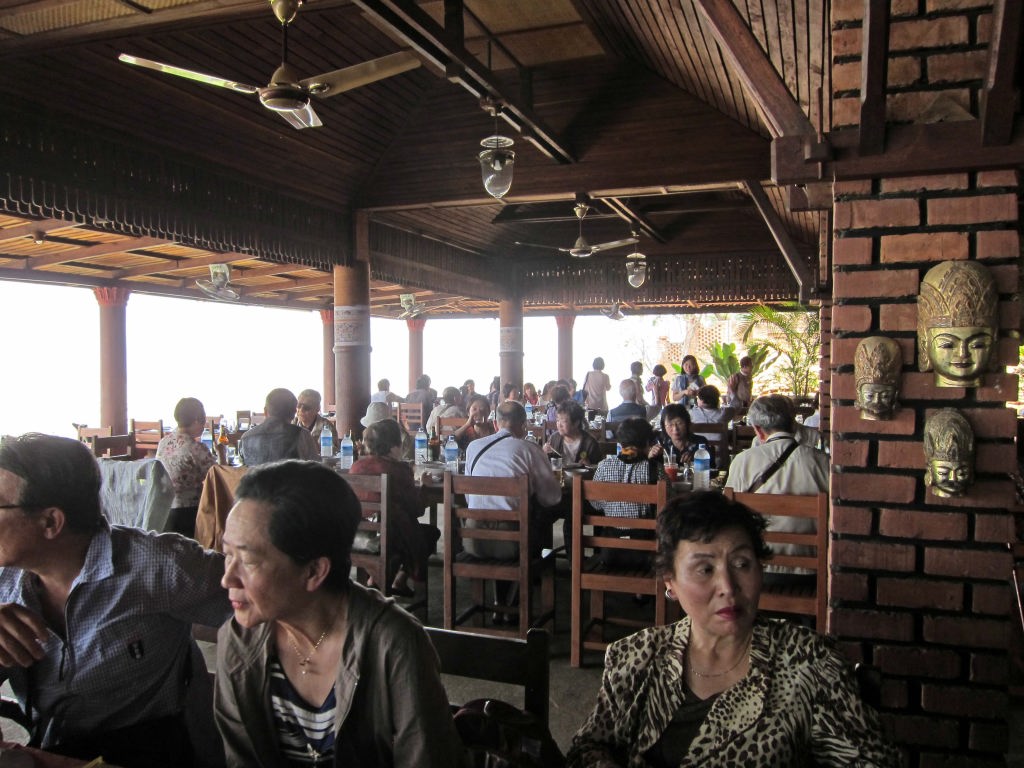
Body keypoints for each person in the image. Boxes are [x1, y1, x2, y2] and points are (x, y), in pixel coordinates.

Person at [567, 492, 900, 768]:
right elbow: (588, 747)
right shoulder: (635, 658)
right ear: (670, 582)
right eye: (705, 569)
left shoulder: (809, 663)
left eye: (741, 564)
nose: (728, 586)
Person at [0, 433, 231, 768]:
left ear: (51, 522)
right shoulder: (6, 580)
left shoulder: (157, 566)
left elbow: (274, 603)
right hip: (51, 748)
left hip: (146, 751)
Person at [216, 460, 465, 767]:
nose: (227, 579)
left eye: (248, 561)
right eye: (227, 554)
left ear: (314, 571)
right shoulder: (238, 642)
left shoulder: (393, 646)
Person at [464, 401, 562, 561]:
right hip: (513, 542)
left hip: (473, 540)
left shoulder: (473, 447)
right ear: (524, 425)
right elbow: (551, 498)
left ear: (495, 424)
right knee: (543, 513)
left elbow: (468, 498)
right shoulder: (530, 449)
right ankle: (538, 569)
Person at [349, 420, 437, 597]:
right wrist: (424, 487)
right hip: (388, 537)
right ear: (394, 446)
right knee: (430, 534)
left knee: (400, 530)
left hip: (356, 535)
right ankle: (397, 579)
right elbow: (417, 510)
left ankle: (376, 580)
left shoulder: (356, 466)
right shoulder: (399, 469)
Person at [156, 396, 216, 538]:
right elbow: (218, 476)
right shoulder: (195, 448)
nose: (204, 426)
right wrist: (222, 454)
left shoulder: (163, 442)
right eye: (203, 421)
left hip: (163, 509)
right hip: (188, 513)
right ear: (196, 420)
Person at [591, 417, 660, 520]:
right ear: (647, 443)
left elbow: (595, 503)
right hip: (645, 529)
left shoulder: (603, 466)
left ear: (621, 442)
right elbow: (667, 499)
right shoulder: (655, 468)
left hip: (611, 528)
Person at [238, 388, 318, 466]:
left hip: (257, 475)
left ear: (265, 411)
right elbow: (316, 468)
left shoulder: (246, 437)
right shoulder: (302, 435)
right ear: (293, 413)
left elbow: (243, 469)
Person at [649, 403, 714, 467]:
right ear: (664, 426)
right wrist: (650, 455)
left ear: (687, 423)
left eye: (679, 423)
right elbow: (649, 467)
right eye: (670, 425)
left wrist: (695, 460)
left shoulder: (700, 443)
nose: (675, 429)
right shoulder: (660, 442)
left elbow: (712, 468)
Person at [543, 400, 600, 466]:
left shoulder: (590, 444)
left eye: (563, 421)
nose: (559, 425)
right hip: (558, 473)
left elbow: (599, 469)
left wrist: (589, 465)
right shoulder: (554, 438)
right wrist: (543, 454)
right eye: (558, 420)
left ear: (576, 423)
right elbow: (545, 465)